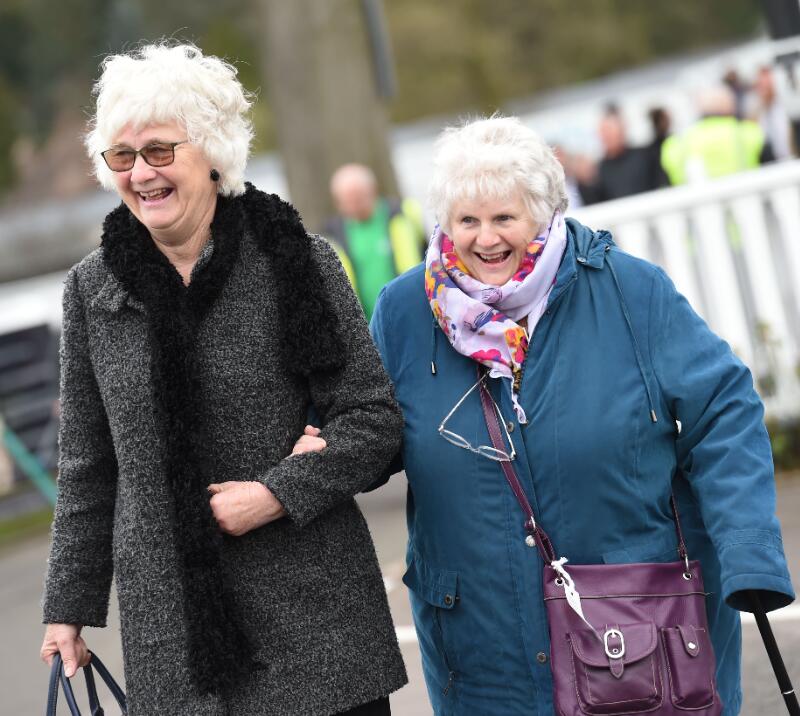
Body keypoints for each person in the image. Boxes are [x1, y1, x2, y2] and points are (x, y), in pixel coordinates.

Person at [298, 116, 795, 714]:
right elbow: (374, 424)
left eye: (505, 218)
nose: (485, 239)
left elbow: (724, 411)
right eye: (467, 221)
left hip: (639, 622)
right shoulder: (405, 311)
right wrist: (332, 448)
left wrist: (748, 551)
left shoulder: (629, 290)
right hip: (481, 645)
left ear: (546, 211)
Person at [39, 43, 407, 715]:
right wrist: (68, 608)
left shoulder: (298, 261)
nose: (141, 173)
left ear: (211, 151)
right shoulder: (92, 292)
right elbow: (89, 464)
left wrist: (275, 493)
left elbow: (373, 420)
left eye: (159, 150)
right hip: (174, 631)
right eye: (122, 156)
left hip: (316, 621)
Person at [324, 163, 426, 320]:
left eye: (358, 198)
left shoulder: (402, 214)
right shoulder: (333, 235)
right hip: (367, 322)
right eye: (347, 201)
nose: (354, 205)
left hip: (412, 310)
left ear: (373, 190)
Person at [661, 85, 773, 185]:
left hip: (699, 201)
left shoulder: (678, 143)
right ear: (729, 106)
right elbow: (772, 168)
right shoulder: (749, 132)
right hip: (750, 196)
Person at [591, 105, 653, 202]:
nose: (607, 137)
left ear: (622, 130)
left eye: (610, 131)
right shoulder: (598, 171)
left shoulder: (644, 156)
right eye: (604, 132)